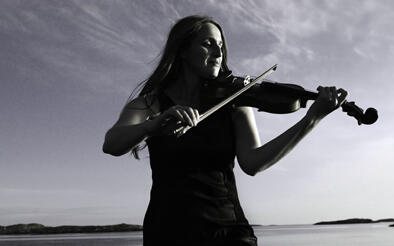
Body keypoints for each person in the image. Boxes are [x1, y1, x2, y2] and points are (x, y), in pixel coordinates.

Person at [103, 15, 347, 246]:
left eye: (220, 45)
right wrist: (152, 125)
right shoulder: (150, 104)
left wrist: (311, 120)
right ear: (183, 51)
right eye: (208, 44)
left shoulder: (235, 101)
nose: (219, 53)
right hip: (168, 229)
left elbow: (253, 163)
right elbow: (112, 144)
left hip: (228, 230)